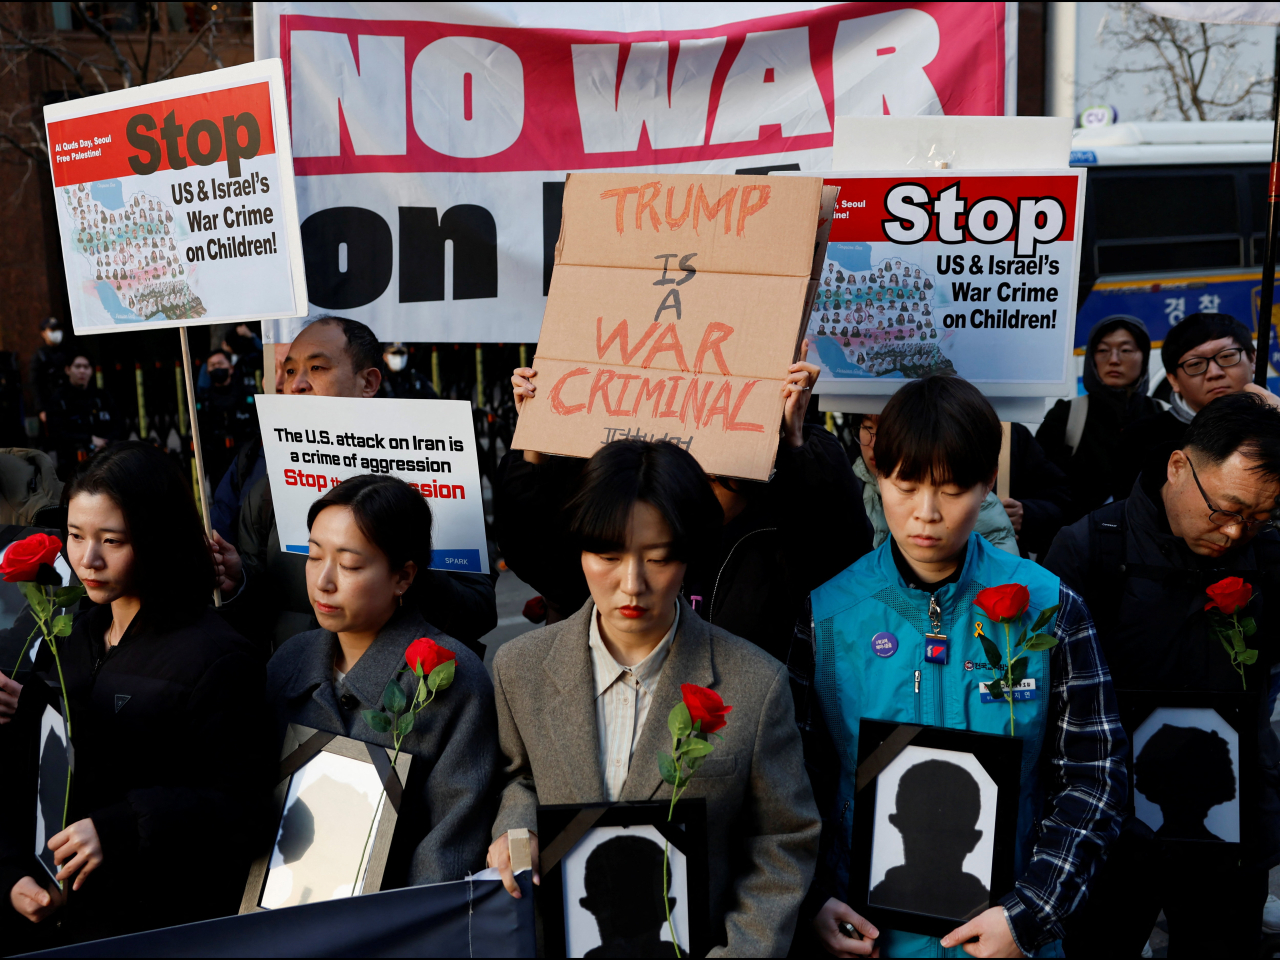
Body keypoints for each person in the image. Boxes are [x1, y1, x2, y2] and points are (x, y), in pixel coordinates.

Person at [809, 376, 1127, 958]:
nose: (925, 514)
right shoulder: (827, 615)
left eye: (953, 490)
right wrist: (816, 900)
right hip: (868, 937)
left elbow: (1095, 774)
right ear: (876, 471)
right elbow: (794, 785)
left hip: (1005, 936)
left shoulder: (1051, 606)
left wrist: (1032, 912)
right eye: (904, 485)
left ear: (987, 484)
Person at [486, 440, 821, 956]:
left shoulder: (754, 683)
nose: (632, 584)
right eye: (608, 556)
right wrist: (517, 832)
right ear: (579, 548)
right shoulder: (520, 669)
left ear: (689, 556)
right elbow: (518, 777)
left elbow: (781, 839)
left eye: (659, 558)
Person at [0, 442, 268, 948]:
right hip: (54, 911)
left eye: (112, 540)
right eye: (75, 536)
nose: (88, 558)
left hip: (153, 925)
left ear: (156, 539)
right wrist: (12, 875)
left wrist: (121, 827)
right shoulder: (70, 638)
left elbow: (243, 811)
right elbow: (24, 776)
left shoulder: (217, 656)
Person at [1044, 391, 1280, 955]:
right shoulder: (1090, 547)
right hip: (1110, 822)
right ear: (1178, 466)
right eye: (1223, 510)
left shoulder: (1267, 554)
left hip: (1228, 817)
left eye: (1257, 517)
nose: (1232, 533)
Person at [497, 341, 869, 663]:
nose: (634, 581)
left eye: (715, 478)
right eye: (613, 556)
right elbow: (534, 546)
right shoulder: (616, 517)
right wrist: (535, 442)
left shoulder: (779, 525)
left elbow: (840, 555)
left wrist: (792, 443)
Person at [265, 474, 498, 885]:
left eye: (350, 564)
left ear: (403, 577)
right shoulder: (290, 661)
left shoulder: (451, 677)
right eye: (314, 556)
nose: (324, 582)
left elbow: (447, 848)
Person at [217, 316, 497, 655]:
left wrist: (404, 562)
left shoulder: (435, 478)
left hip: (404, 700)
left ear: (368, 382)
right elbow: (262, 613)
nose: (296, 385)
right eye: (290, 371)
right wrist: (239, 582)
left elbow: (477, 611)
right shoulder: (269, 488)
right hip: (301, 695)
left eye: (317, 368)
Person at [1116, 312, 1278, 496]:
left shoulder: (1276, 423)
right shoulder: (1141, 440)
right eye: (1195, 364)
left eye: (1226, 357)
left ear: (1252, 359)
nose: (1214, 372)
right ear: (1173, 380)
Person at [1037, 315, 1164, 517]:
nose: (1113, 360)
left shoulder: (1163, 416)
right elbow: (1042, 489)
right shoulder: (1066, 415)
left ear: (1144, 357)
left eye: (1126, 350)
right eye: (1103, 350)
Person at [853, 413, 1018, 555]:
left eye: (951, 491)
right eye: (868, 427)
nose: (926, 514)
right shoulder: (849, 486)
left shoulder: (984, 510)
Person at [45, 352, 121, 481]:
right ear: (68, 370)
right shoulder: (58, 399)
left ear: (91, 371)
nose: (82, 371)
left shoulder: (101, 397)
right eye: (78, 366)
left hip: (105, 460)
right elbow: (56, 432)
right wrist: (89, 439)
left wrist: (105, 442)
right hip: (72, 465)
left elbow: (118, 425)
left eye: (86, 367)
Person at [197, 349, 258, 488]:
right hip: (217, 461)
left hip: (246, 460)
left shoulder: (248, 394)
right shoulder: (203, 400)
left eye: (220, 363)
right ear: (207, 371)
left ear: (230, 368)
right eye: (212, 365)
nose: (216, 368)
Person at [28, 318, 68, 435]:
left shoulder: (68, 351)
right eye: (52, 329)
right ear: (43, 333)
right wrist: (41, 409)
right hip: (50, 404)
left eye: (58, 329)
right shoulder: (40, 356)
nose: (57, 333)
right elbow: (35, 383)